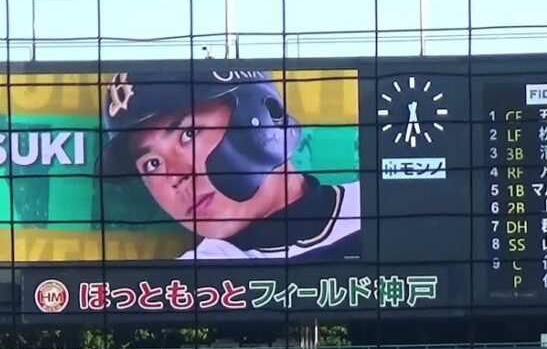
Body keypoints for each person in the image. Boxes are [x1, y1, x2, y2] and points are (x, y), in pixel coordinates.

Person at [97, 69, 361, 260]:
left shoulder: (374, 206)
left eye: (189, 134)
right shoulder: (193, 285)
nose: (175, 177)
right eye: (152, 163)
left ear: (264, 115)